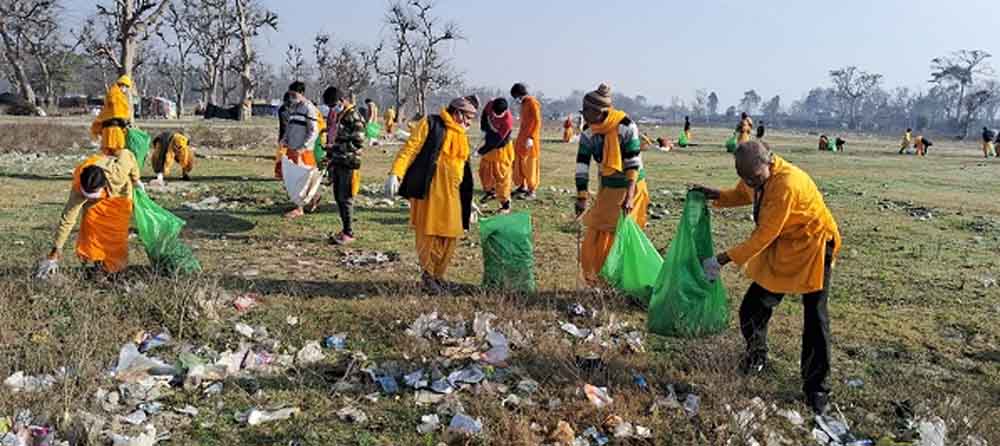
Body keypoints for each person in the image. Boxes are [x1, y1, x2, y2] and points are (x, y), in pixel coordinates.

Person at [692, 140, 841, 415]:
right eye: (746, 178)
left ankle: (817, 389)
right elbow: (743, 193)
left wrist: (722, 259)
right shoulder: (756, 176)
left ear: (769, 161)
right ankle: (756, 357)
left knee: (815, 316)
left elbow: (764, 236)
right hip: (785, 246)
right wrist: (717, 195)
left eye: (755, 178)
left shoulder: (787, 184)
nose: (751, 183)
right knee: (753, 307)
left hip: (814, 245)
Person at [384, 97, 478, 294]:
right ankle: (428, 276)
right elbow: (410, 148)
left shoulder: (461, 135)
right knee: (429, 235)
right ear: (457, 113)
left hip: (453, 194)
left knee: (451, 236)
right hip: (430, 191)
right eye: (468, 117)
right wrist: (395, 173)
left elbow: (463, 168)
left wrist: (469, 200)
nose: (470, 122)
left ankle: (439, 276)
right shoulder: (431, 123)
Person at [575, 84, 650, 285]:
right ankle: (600, 281)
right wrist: (581, 197)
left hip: (632, 188)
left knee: (621, 238)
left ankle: (623, 283)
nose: (584, 115)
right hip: (608, 189)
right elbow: (582, 165)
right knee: (595, 234)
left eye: (587, 111)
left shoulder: (626, 126)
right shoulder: (588, 132)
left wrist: (629, 197)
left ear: (600, 111)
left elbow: (633, 163)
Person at [36, 150, 142, 278]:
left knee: (116, 236)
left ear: (104, 185)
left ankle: (116, 270)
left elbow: (127, 153)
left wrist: (136, 179)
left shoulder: (117, 173)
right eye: (87, 195)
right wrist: (56, 249)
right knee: (92, 228)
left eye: (94, 194)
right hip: (96, 207)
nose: (90, 197)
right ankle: (99, 265)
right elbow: (68, 218)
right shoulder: (79, 187)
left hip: (119, 198)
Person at [320, 87, 366, 245]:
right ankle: (345, 229)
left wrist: (335, 148)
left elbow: (358, 142)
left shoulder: (353, 116)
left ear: (341, 100)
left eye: (333, 105)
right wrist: (330, 155)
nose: (332, 108)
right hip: (338, 161)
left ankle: (349, 232)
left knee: (345, 198)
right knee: (338, 197)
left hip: (349, 162)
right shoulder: (340, 115)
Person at [280, 81, 321, 219]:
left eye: (294, 94)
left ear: (301, 93)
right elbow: (290, 126)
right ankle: (313, 198)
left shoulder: (309, 108)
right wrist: (285, 139)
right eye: (290, 94)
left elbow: (314, 131)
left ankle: (299, 208)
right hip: (292, 149)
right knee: (297, 179)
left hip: (303, 151)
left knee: (302, 180)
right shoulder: (294, 108)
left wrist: (304, 147)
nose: (291, 96)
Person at [477, 98, 515, 213]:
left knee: (501, 175)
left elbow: (498, 141)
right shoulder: (490, 105)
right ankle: (490, 192)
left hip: (501, 148)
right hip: (490, 140)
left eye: (499, 114)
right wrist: (484, 127)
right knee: (484, 171)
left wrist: (482, 150)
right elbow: (484, 114)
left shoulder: (508, 121)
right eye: (495, 113)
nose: (496, 115)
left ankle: (505, 203)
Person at [510, 83, 542, 200]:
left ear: (518, 94)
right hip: (522, 138)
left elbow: (537, 121)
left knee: (530, 164)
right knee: (519, 163)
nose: (516, 99)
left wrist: (531, 137)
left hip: (530, 140)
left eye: (515, 96)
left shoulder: (532, 102)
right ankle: (522, 186)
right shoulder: (524, 103)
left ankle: (531, 190)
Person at [90, 75, 133, 156]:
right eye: (126, 87)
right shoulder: (117, 95)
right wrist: (125, 124)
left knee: (107, 153)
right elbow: (117, 113)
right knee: (117, 151)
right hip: (115, 130)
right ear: (122, 85)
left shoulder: (112, 93)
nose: (126, 89)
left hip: (106, 130)